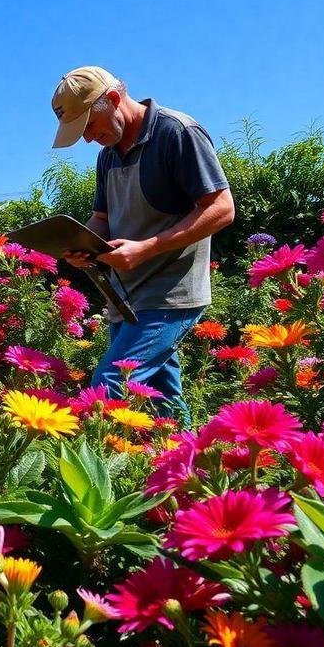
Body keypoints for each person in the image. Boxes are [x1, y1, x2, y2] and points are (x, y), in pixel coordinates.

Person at [51, 66, 234, 426]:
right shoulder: (108, 154)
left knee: (109, 386)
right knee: (165, 403)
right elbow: (101, 219)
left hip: (170, 295)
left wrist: (146, 248)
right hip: (125, 296)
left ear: (114, 100)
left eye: (89, 125)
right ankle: (189, 469)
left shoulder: (176, 132)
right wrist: (80, 244)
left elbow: (221, 209)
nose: (88, 139)